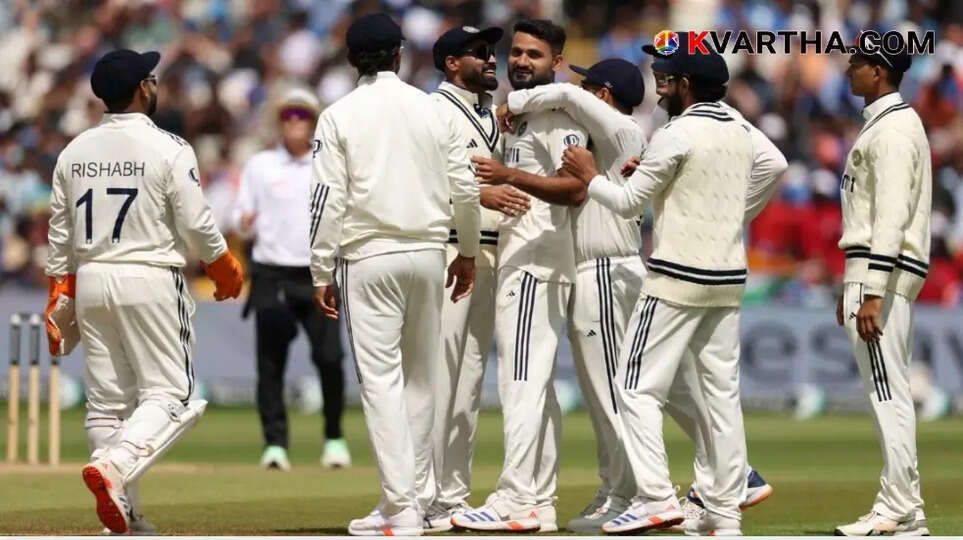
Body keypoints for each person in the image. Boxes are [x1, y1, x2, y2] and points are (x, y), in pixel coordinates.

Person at [560, 33, 754, 535]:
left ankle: (655, 497)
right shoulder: (738, 125)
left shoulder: (676, 131)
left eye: (668, 78)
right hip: (728, 274)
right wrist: (729, 215)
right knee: (721, 398)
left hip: (676, 276)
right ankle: (725, 515)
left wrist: (589, 175)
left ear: (687, 85)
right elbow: (773, 165)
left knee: (633, 387)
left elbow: (627, 204)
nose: (661, 86)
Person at [44, 49, 243, 535]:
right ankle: (115, 465)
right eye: (152, 80)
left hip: (92, 277)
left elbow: (59, 233)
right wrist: (223, 266)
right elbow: (196, 223)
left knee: (108, 403)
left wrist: (59, 291)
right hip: (150, 274)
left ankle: (124, 517)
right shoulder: (170, 147)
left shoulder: (75, 152)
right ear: (143, 89)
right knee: (173, 395)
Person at [307, 13, 480, 536]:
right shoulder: (433, 111)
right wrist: (467, 251)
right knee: (421, 380)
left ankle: (402, 508)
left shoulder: (338, 114)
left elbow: (326, 200)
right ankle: (411, 501)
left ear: (350, 58)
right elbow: (466, 189)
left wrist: (320, 267)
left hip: (369, 256)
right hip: (428, 253)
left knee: (382, 384)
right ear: (399, 55)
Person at [489, 58, 647, 533]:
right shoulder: (610, 136)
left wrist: (513, 102)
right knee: (620, 392)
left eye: (588, 85)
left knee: (612, 394)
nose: (578, 89)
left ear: (603, 95)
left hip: (602, 265)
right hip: (600, 267)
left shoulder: (620, 128)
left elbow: (568, 96)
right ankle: (621, 490)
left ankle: (637, 493)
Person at [450, 19, 588, 533]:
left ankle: (514, 500)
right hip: (526, 258)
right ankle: (541, 501)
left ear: (556, 63)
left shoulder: (556, 113)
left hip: (536, 261)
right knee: (536, 388)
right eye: (518, 53)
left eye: (535, 55)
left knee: (521, 384)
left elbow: (576, 186)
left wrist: (508, 175)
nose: (521, 61)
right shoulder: (525, 113)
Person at [424, 25, 533, 532]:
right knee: (439, 378)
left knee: (468, 383)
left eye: (492, 52)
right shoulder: (434, 111)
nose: (492, 60)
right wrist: (474, 197)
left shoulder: (492, 113)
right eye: (479, 53)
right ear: (450, 63)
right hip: (448, 250)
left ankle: (451, 496)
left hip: (491, 255)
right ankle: (420, 493)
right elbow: (417, 185)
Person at [833, 44, 930, 537]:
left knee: (886, 392)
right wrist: (851, 281)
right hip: (871, 271)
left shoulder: (892, 129)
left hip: (882, 277)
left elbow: (890, 216)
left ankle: (897, 508)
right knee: (887, 390)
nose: (848, 69)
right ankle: (906, 509)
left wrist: (871, 290)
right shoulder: (886, 121)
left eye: (856, 63)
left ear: (879, 70)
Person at [233, 87, 349, 471]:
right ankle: (275, 445)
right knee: (270, 362)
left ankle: (334, 437)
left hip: (319, 272)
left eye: (302, 115)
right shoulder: (261, 165)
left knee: (330, 357)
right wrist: (245, 224)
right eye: (288, 115)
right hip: (272, 274)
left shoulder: (328, 164)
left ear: (314, 121)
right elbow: (240, 217)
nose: (294, 122)